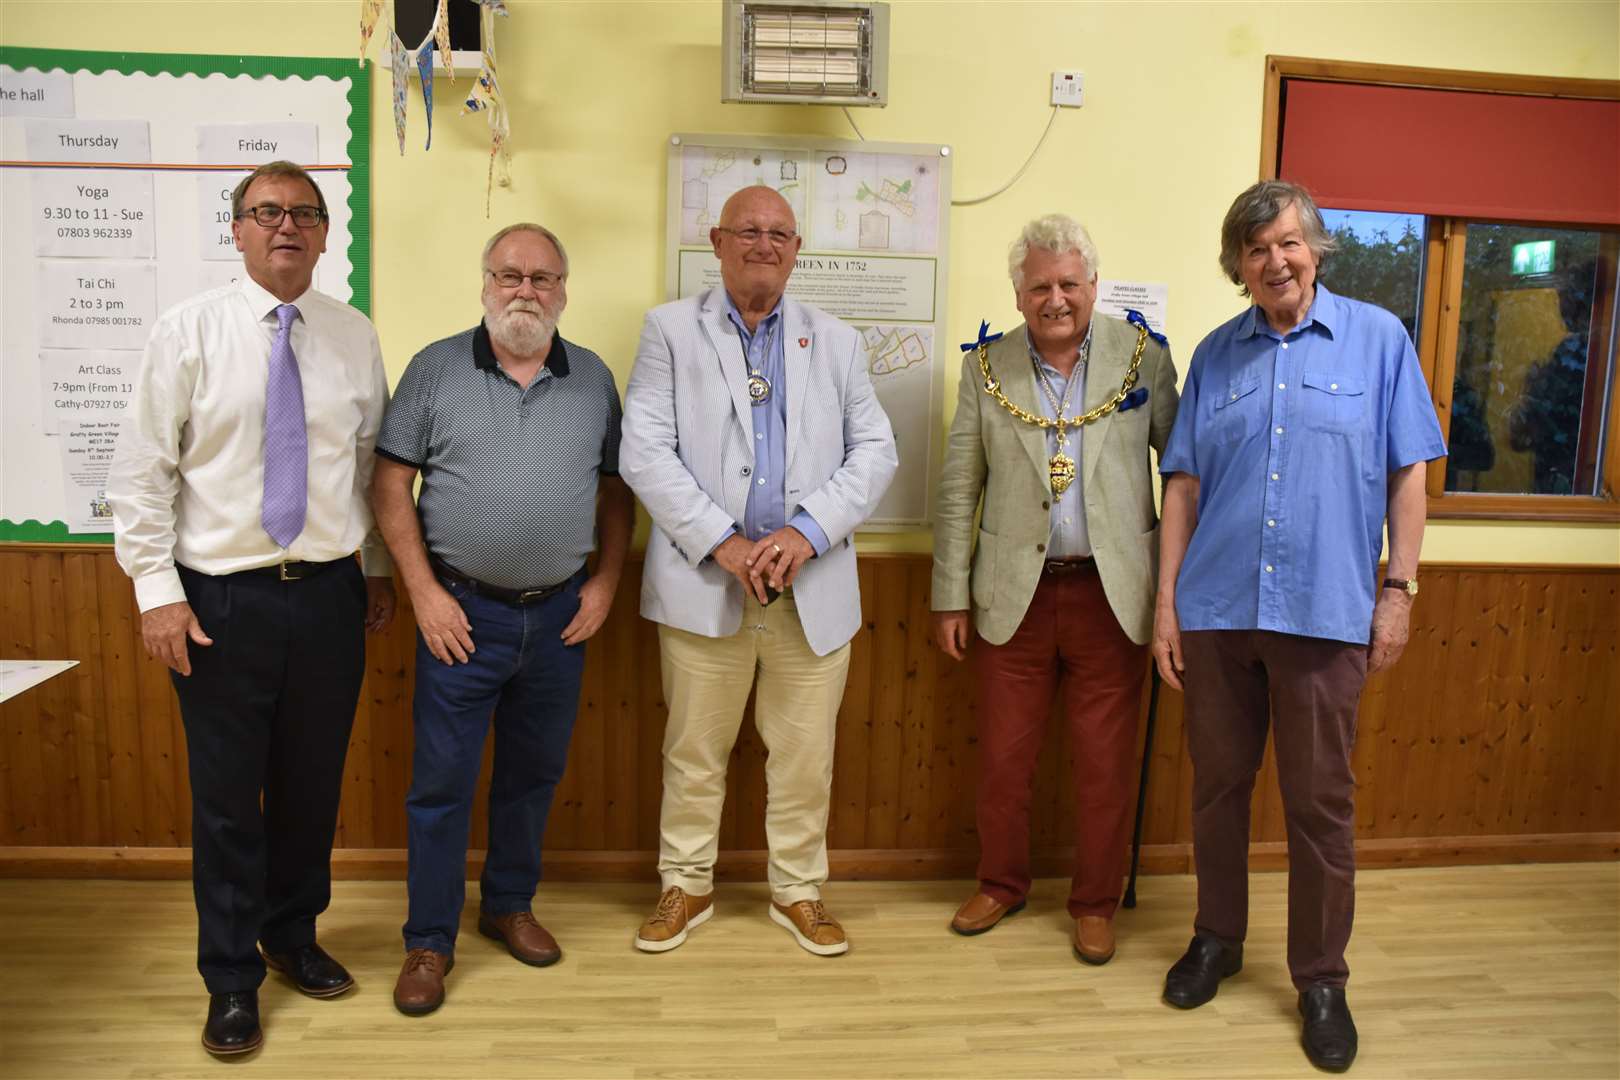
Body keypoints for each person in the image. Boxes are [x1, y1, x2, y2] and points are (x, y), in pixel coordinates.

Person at [1153, 180, 1446, 1073]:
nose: (1274, 261)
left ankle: (1321, 978)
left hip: (1324, 614)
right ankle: (1216, 939)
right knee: (1217, 792)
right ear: (1238, 268)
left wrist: (1398, 590)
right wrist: (1166, 603)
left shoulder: (1378, 340)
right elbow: (1185, 486)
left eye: (1287, 243)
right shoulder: (1214, 355)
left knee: (1322, 805)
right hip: (1216, 612)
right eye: (1255, 250)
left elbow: (1408, 472)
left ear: (1315, 249)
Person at [107, 160, 396, 1056]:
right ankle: (230, 979)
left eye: (304, 213)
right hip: (218, 602)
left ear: (324, 232)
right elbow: (142, 473)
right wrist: (157, 594)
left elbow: (370, 467)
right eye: (266, 212)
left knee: (311, 787)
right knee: (230, 801)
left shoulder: (353, 336)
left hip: (326, 597)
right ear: (235, 230)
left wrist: (378, 569)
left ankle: (292, 937)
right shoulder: (186, 332)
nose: (286, 226)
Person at [619, 185, 896, 957]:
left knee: (806, 758)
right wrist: (723, 542)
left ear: (797, 247)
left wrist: (806, 534)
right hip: (707, 583)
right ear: (717, 240)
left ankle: (799, 891)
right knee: (693, 752)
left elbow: (876, 452)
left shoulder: (835, 341)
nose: (763, 244)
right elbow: (643, 450)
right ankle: (686, 884)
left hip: (811, 591)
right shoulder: (670, 332)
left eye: (779, 232)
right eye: (748, 230)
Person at [371, 223, 631, 1015]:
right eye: (510, 275)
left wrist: (608, 582)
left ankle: (509, 906)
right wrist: (421, 591)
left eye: (543, 278)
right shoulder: (434, 369)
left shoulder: (591, 378)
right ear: (484, 281)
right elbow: (389, 486)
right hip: (461, 616)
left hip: (558, 619)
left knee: (531, 779)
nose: (526, 290)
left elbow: (616, 490)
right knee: (441, 786)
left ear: (563, 290)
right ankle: (428, 941)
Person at [932, 214, 1179, 963]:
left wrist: (1180, 591)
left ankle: (1095, 902)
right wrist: (948, 595)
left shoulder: (1146, 361)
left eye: (1070, 283)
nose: (1056, 298)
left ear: (1094, 286)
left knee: (1105, 766)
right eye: (1040, 285)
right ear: (1017, 293)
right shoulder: (986, 370)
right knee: (1005, 760)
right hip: (1014, 597)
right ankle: (1001, 884)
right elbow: (956, 490)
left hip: (1116, 596)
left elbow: (1189, 474)